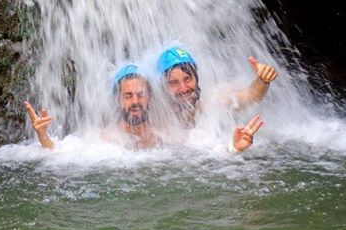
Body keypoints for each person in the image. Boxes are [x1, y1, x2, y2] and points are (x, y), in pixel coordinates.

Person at [25, 63, 263, 152]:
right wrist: (44, 138)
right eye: (128, 96)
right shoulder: (104, 139)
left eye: (140, 95)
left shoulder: (167, 135)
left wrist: (234, 148)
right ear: (118, 100)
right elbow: (64, 154)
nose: (135, 101)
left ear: (149, 98)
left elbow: (208, 153)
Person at [157, 46, 277, 128]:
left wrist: (263, 80)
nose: (183, 88)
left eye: (187, 79)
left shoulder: (212, 100)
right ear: (164, 87)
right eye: (174, 83)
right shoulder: (158, 118)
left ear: (196, 78)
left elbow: (251, 96)